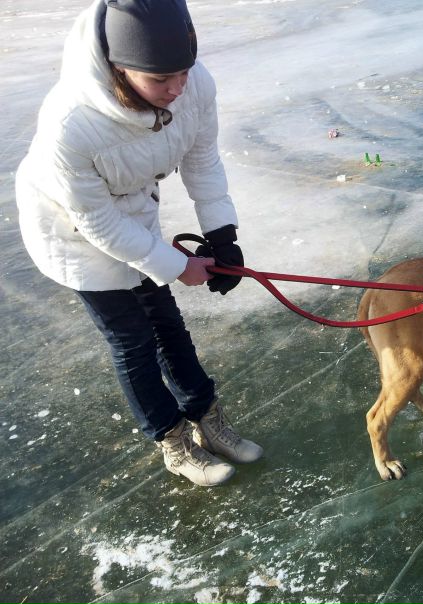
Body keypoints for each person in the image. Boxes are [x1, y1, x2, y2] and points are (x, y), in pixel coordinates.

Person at [15, 0, 263, 487]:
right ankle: (172, 440)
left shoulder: (194, 85)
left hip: (132, 212)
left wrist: (222, 234)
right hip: (71, 231)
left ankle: (206, 418)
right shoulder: (71, 123)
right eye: (160, 79)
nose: (177, 88)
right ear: (119, 69)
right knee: (133, 339)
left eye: (184, 72)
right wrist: (177, 265)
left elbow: (203, 160)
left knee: (167, 324)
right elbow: (96, 221)